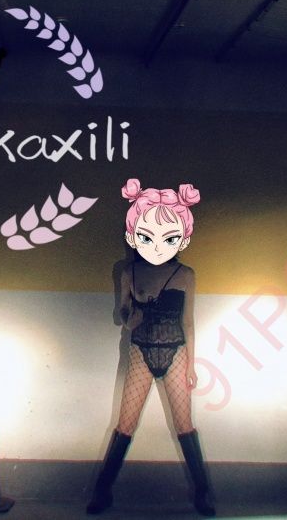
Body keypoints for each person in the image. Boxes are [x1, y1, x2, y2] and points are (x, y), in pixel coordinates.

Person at [86, 178, 215, 516]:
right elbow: (122, 315)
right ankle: (102, 492)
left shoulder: (186, 274)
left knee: (185, 425)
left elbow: (189, 322)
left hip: (176, 351)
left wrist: (191, 365)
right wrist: (131, 315)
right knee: (125, 425)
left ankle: (203, 494)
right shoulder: (128, 271)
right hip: (140, 350)